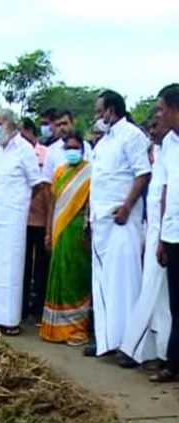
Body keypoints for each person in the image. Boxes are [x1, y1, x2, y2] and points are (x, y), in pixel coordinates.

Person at [85, 90, 151, 358]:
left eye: (99, 112)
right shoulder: (103, 143)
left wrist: (126, 207)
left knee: (125, 282)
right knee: (104, 282)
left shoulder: (132, 136)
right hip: (101, 222)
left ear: (111, 111)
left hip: (122, 220)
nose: (97, 117)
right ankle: (107, 340)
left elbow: (142, 174)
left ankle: (130, 344)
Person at [0, 109, 46, 335]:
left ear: (12, 127)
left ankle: (8, 320)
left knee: (10, 270)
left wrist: (20, 204)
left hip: (13, 219)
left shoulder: (24, 150)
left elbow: (38, 184)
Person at [119, 108, 171, 368]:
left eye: (156, 125)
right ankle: (160, 352)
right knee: (159, 297)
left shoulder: (171, 153)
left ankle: (134, 348)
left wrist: (161, 237)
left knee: (152, 288)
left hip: (165, 232)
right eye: (150, 127)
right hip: (155, 229)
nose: (153, 131)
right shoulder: (160, 154)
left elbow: (167, 197)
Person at [39, 132, 92, 346]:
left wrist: (87, 230)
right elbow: (53, 203)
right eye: (68, 147)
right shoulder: (59, 172)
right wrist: (49, 232)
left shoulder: (90, 172)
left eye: (75, 147)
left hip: (79, 230)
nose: (72, 151)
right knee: (59, 275)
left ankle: (78, 329)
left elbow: (91, 204)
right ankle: (57, 328)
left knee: (76, 279)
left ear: (82, 149)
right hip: (59, 229)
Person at [152, 83, 179, 382]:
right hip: (173, 233)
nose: (159, 114)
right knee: (176, 304)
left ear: (174, 108)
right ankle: (174, 364)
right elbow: (167, 190)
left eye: (161, 108)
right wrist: (161, 238)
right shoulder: (169, 143)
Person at [19, 117, 51, 323]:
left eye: (22, 133)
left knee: (40, 266)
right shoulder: (16, 153)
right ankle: (21, 307)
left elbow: (47, 188)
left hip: (41, 218)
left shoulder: (45, 154)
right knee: (22, 265)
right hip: (21, 220)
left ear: (31, 133)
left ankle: (38, 308)